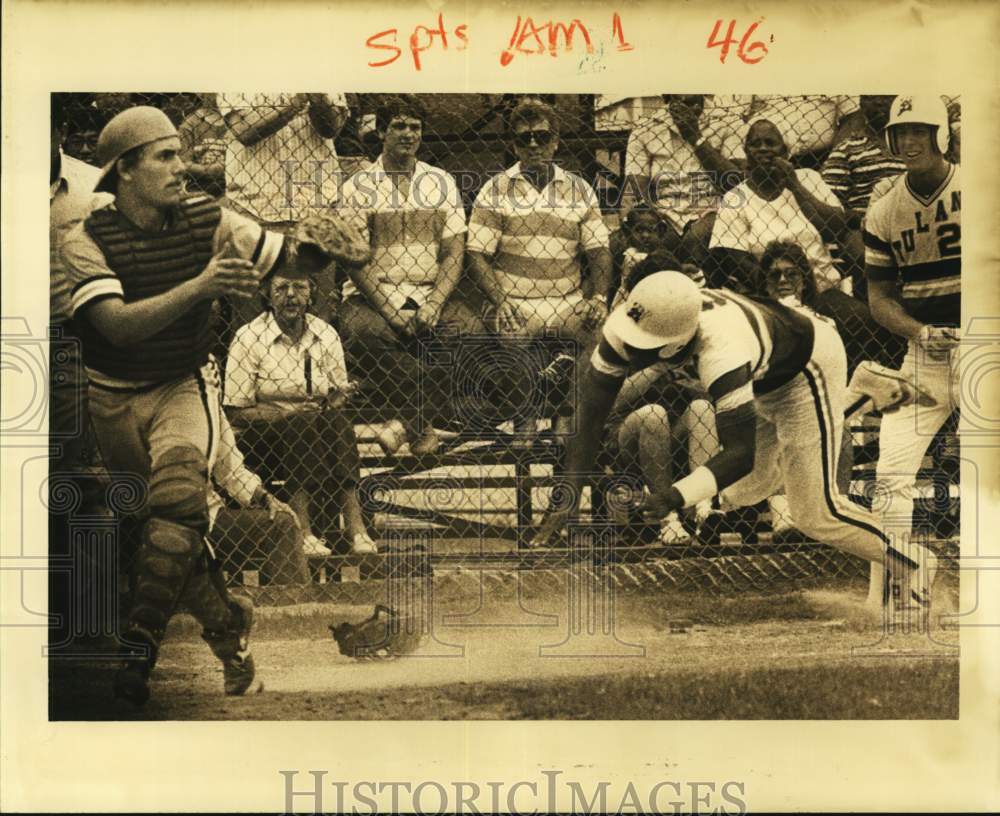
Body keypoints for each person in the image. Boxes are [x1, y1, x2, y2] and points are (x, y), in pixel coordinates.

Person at [531, 270, 939, 617]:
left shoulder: (720, 352)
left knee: (815, 512)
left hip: (806, 367)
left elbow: (738, 454)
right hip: (765, 368)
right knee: (741, 494)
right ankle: (860, 395)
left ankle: (916, 562)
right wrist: (566, 500)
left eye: (642, 343)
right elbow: (589, 422)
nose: (629, 346)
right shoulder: (632, 325)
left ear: (673, 345)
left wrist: (674, 497)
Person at [59, 105, 290, 706]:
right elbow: (116, 327)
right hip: (110, 397)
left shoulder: (203, 218)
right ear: (124, 170)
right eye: (165, 155)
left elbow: (281, 257)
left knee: (179, 501)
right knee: (165, 538)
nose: (182, 166)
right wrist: (201, 286)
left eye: (180, 152)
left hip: (180, 386)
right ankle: (229, 636)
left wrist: (318, 248)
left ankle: (139, 651)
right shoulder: (84, 241)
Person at [337, 95, 483, 455]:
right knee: (361, 333)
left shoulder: (442, 182)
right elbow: (357, 262)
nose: (408, 134)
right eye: (399, 126)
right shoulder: (357, 187)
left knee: (471, 332)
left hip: (428, 293)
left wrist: (434, 303)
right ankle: (423, 425)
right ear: (382, 132)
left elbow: (453, 252)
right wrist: (389, 311)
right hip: (373, 299)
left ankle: (407, 424)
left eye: (415, 127)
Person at [467, 99, 612, 444]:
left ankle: (567, 417)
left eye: (542, 137)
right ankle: (525, 419)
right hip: (515, 300)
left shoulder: (579, 189)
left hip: (567, 300)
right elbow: (476, 255)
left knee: (598, 329)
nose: (533, 145)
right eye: (524, 138)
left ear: (556, 141)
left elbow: (600, 252)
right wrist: (501, 301)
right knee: (510, 332)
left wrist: (599, 297)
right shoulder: (496, 188)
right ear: (513, 144)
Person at [864, 95, 960, 609]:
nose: (909, 142)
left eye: (920, 130)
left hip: (985, 346)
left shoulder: (979, 188)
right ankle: (894, 589)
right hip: (924, 356)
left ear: (941, 134)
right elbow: (879, 300)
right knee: (890, 475)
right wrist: (920, 332)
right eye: (901, 133)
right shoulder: (883, 211)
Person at [224, 260, 377, 556]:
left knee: (338, 422)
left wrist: (337, 399)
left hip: (316, 436)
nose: (291, 295)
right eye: (281, 288)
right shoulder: (248, 337)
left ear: (311, 295)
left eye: (299, 288)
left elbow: (335, 394)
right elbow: (235, 412)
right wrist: (285, 415)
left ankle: (357, 529)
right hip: (260, 440)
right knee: (301, 424)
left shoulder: (325, 334)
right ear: (267, 295)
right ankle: (303, 532)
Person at [218, 92, 350, 325]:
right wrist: (297, 100)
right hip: (254, 208)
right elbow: (244, 131)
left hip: (315, 208)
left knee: (318, 318)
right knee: (251, 323)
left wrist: (317, 95)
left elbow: (332, 128)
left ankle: (315, 362)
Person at [707, 117, 854, 295]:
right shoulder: (734, 197)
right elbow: (737, 261)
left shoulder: (809, 178)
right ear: (746, 152)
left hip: (821, 288)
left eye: (770, 143)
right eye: (755, 144)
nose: (763, 148)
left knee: (858, 318)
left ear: (785, 151)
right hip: (769, 292)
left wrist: (795, 187)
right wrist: (779, 287)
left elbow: (837, 228)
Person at [621, 95, 742, 270]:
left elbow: (735, 184)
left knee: (697, 239)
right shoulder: (645, 129)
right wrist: (656, 224)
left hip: (713, 210)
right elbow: (635, 191)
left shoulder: (728, 122)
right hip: (663, 214)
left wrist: (695, 137)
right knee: (645, 241)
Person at [208, 402, 310, 586]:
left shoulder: (209, 406)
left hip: (207, 517)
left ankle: (295, 605)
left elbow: (232, 473)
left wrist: (266, 497)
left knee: (283, 522)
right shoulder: (140, 407)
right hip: (155, 520)